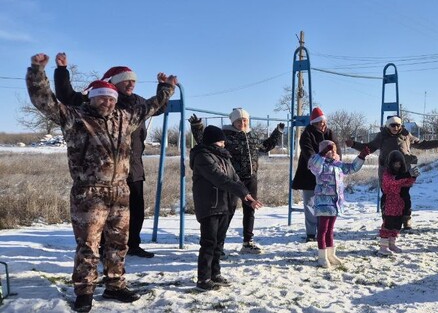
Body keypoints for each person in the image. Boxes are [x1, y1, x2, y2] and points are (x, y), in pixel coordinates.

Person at [26, 53, 176, 313]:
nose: (106, 101)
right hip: (89, 192)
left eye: (110, 98)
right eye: (101, 97)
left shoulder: (125, 118)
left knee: (119, 242)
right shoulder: (75, 118)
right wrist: (37, 71)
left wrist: (166, 88)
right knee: (89, 245)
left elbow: (150, 106)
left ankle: (115, 285)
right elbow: (44, 101)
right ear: (92, 98)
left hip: (120, 190)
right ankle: (84, 291)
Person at [53, 53, 166, 258]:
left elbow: (158, 107)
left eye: (133, 81)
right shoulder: (97, 99)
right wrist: (62, 71)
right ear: (114, 83)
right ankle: (103, 246)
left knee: (135, 209)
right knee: (104, 213)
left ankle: (133, 244)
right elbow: (67, 97)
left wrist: (162, 87)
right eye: (126, 81)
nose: (131, 84)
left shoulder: (138, 103)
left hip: (133, 167)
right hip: (102, 171)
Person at [189, 108, 284, 254]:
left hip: (250, 178)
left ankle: (247, 242)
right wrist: (197, 127)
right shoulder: (225, 135)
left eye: (245, 120)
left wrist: (277, 132)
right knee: (228, 212)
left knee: (250, 211)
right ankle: (218, 247)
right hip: (231, 180)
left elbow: (266, 146)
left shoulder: (252, 135)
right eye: (239, 120)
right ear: (233, 122)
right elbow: (205, 141)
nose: (242, 123)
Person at [190, 125, 263, 291]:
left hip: (224, 205)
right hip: (209, 206)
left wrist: (247, 195)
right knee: (209, 243)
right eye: (221, 140)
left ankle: (215, 274)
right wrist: (242, 192)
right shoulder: (203, 157)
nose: (224, 143)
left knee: (218, 243)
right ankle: (203, 279)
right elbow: (220, 179)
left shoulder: (223, 156)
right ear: (214, 141)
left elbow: (235, 178)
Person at [345, 114, 438, 230]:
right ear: (388, 126)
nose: (395, 128)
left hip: (404, 172)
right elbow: (369, 147)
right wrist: (354, 144)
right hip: (387, 174)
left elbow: (422, 144)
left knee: (405, 197)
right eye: (393, 125)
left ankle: (406, 219)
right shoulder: (382, 136)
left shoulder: (406, 135)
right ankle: (386, 220)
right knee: (387, 198)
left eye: (398, 125)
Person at [307, 140, 368, 268]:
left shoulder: (337, 164)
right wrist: (322, 154)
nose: (332, 151)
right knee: (322, 230)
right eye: (329, 149)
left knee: (330, 230)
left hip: (335, 202)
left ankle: (331, 254)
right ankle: (322, 256)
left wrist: (361, 156)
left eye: (334, 148)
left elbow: (352, 168)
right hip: (323, 202)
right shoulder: (318, 162)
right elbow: (314, 168)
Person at [291, 107, 339, 242]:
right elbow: (308, 152)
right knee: (310, 203)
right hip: (309, 174)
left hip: (327, 176)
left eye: (323, 122)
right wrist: (317, 162)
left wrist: (335, 161)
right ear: (313, 123)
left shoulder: (330, 133)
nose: (322, 125)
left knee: (327, 204)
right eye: (319, 123)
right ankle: (311, 233)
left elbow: (337, 150)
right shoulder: (307, 134)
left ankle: (324, 231)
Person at [377, 150, 418, 256]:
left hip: (399, 203)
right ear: (390, 164)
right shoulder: (387, 174)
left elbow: (407, 183)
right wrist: (407, 175)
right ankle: (383, 246)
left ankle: (392, 243)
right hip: (389, 202)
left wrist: (413, 177)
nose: (397, 166)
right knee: (388, 224)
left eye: (399, 163)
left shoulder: (401, 174)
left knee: (397, 224)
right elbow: (394, 181)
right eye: (395, 163)